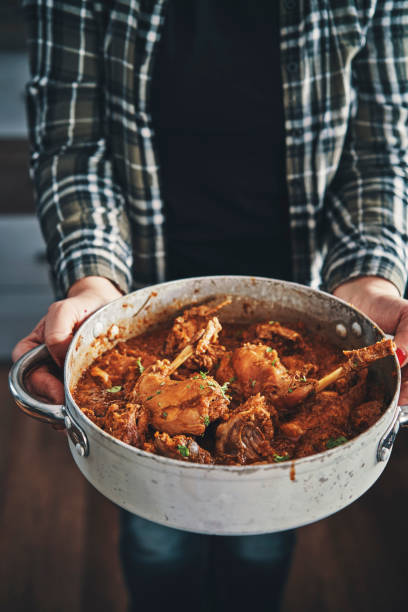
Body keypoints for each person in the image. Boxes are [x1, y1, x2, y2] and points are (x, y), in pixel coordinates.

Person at [13, 1, 408, 610]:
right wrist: (93, 285)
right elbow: (72, 145)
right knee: (156, 537)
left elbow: (381, 150)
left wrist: (368, 280)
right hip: (135, 288)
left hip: (309, 288)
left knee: (265, 540)